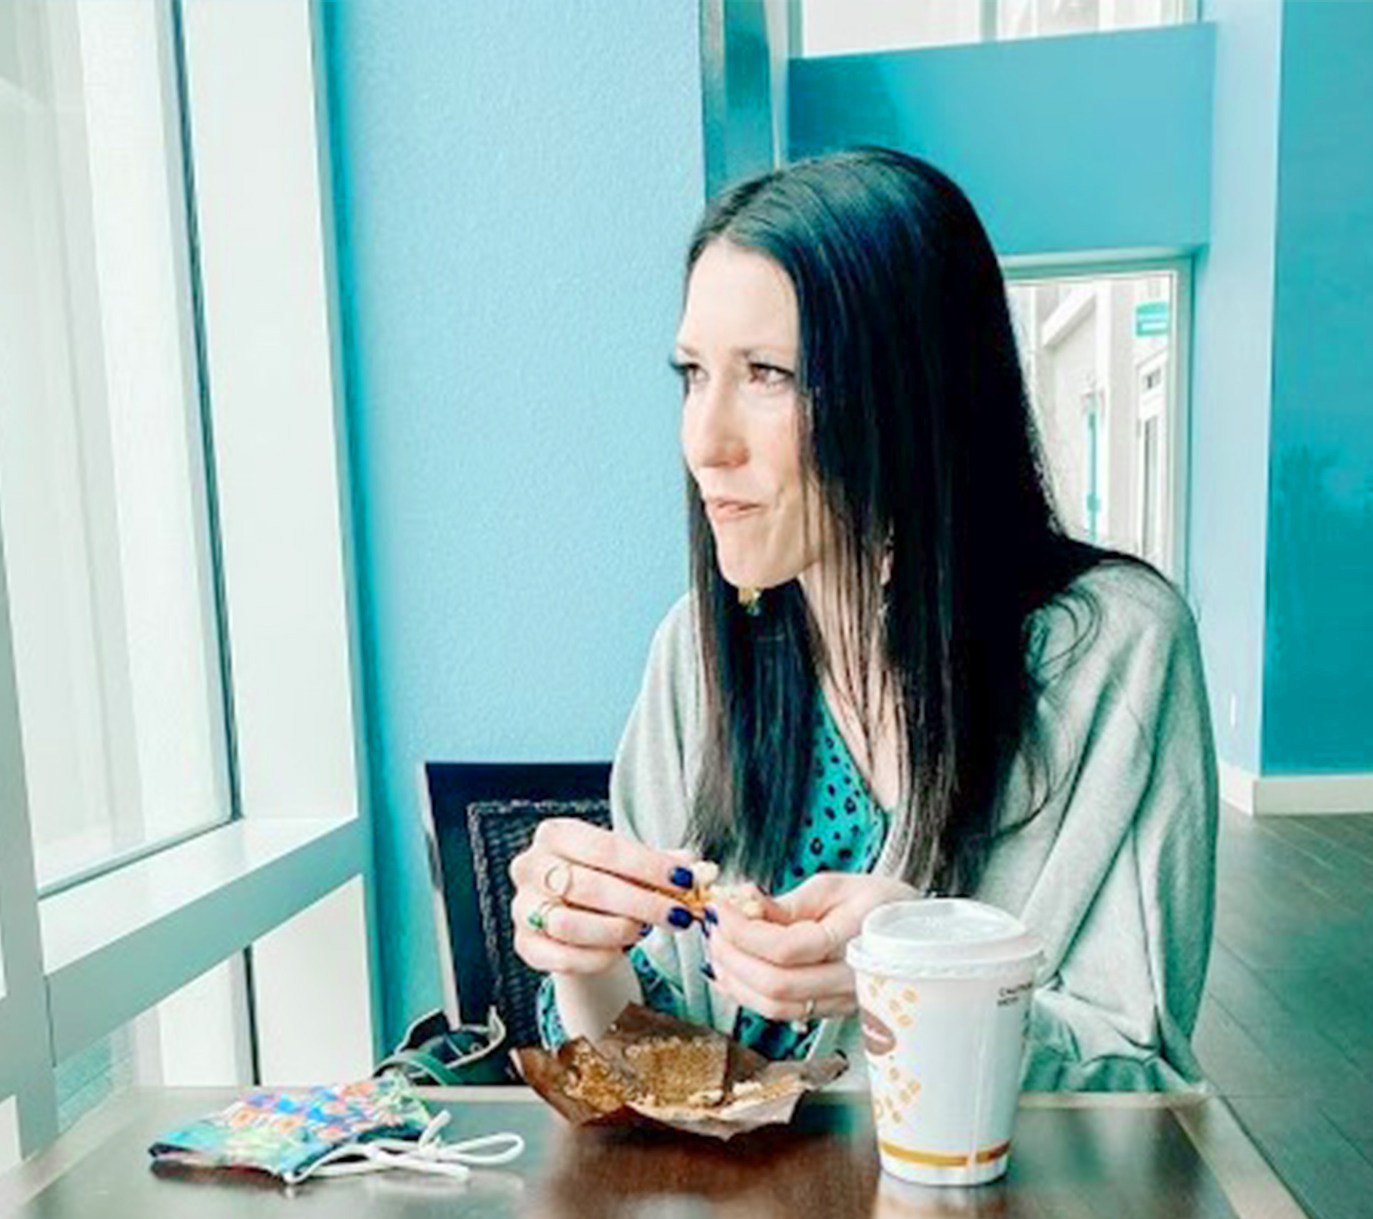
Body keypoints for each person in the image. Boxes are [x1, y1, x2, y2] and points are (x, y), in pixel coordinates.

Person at [512, 147, 1214, 1091]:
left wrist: (924, 979)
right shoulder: (696, 654)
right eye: (691, 374)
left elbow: (1141, 1093)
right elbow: (662, 1074)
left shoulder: (1114, 653)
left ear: (912, 390)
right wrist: (585, 960)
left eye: (767, 374)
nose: (704, 443)